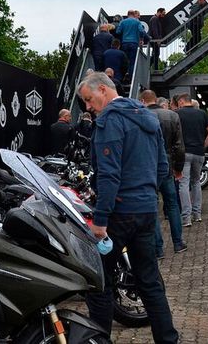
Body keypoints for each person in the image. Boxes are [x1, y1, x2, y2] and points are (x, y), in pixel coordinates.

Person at [78, 72, 180, 343]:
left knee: (98, 281)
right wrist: (146, 192)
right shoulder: (149, 117)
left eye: (89, 99)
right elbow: (162, 167)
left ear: (102, 89)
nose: (88, 107)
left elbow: (108, 176)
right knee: (149, 281)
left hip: (119, 214)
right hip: (146, 210)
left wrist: (100, 219)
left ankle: (99, 339)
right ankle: (167, 339)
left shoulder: (110, 121)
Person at [140, 90, 187, 257]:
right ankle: (178, 242)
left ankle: (158, 249)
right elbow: (179, 146)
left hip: (146, 166)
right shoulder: (172, 116)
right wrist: (178, 168)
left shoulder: (139, 116)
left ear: (143, 100)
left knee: (153, 206)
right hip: (166, 163)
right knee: (172, 204)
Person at [176, 93, 208, 226]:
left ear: (181, 101)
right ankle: (197, 214)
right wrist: (203, 146)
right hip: (199, 153)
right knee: (196, 183)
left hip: (184, 153)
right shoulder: (201, 114)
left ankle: (186, 218)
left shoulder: (177, 114)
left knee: (183, 184)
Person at [115, 10, 149, 79]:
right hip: (134, 43)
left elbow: (118, 32)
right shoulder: (137, 22)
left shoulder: (123, 22)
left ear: (127, 14)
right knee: (132, 61)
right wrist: (141, 39)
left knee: (124, 61)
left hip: (124, 43)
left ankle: (124, 76)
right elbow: (142, 31)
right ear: (134, 15)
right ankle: (131, 78)